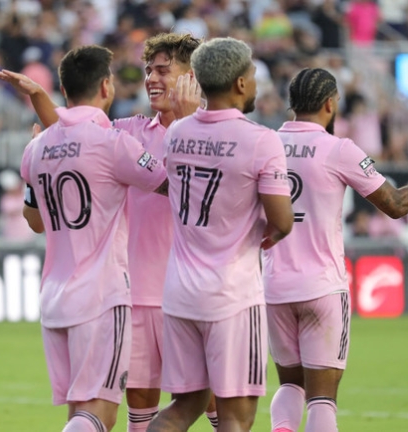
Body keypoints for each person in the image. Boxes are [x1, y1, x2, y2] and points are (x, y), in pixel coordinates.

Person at [0, 33, 220, 432]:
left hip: (196, 290)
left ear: (192, 78)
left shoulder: (219, 135)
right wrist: (42, 101)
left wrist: (190, 126)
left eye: (163, 70)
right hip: (137, 294)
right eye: (148, 70)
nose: (151, 78)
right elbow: (78, 139)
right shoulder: (127, 132)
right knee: (138, 405)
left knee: (216, 400)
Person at [263, 67, 408, 432]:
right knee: (322, 399)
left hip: (274, 285)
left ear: (292, 103)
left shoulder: (265, 145)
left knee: (290, 385)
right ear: (330, 104)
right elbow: (395, 204)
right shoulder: (339, 149)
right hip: (322, 287)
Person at [147, 37, 294, 432]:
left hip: (180, 292)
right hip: (232, 295)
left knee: (183, 407)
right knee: (236, 417)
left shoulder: (177, 133)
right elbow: (282, 221)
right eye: (253, 75)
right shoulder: (261, 140)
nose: (256, 83)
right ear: (241, 83)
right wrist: (267, 234)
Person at [19, 45, 168, 432]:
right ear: (105, 86)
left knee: (80, 410)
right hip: (100, 297)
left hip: (54, 300)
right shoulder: (113, 143)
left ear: (64, 89)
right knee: (100, 413)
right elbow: (169, 184)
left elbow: (34, 221)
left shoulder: (36, 148)